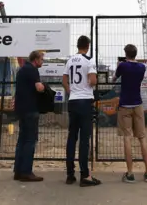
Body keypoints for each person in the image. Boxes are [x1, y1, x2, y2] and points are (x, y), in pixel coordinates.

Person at [62, 35, 101, 187]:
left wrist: (71, 91)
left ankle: (70, 174)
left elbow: (64, 80)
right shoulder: (89, 60)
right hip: (85, 101)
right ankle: (85, 175)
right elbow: (93, 81)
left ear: (78, 46)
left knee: (72, 138)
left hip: (73, 100)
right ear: (88, 46)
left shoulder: (70, 60)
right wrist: (89, 83)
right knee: (84, 139)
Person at [113, 44, 147, 183]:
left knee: (127, 137)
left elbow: (113, 78)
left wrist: (119, 65)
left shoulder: (122, 66)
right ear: (136, 54)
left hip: (125, 105)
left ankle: (130, 173)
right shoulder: (142, 67)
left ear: (126, 53)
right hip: (138, 104)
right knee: (142, 137)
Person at [13, 50, 45, 182]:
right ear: (36, 59)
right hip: (30, 108)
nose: (43, 62)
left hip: (21, 108)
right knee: (30, 140)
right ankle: (26, 171)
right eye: (42, 59)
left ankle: (18, 170)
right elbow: (38, 88)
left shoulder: (22, 70)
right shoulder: (32, 70)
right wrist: (44, 87)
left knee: (22, 140)